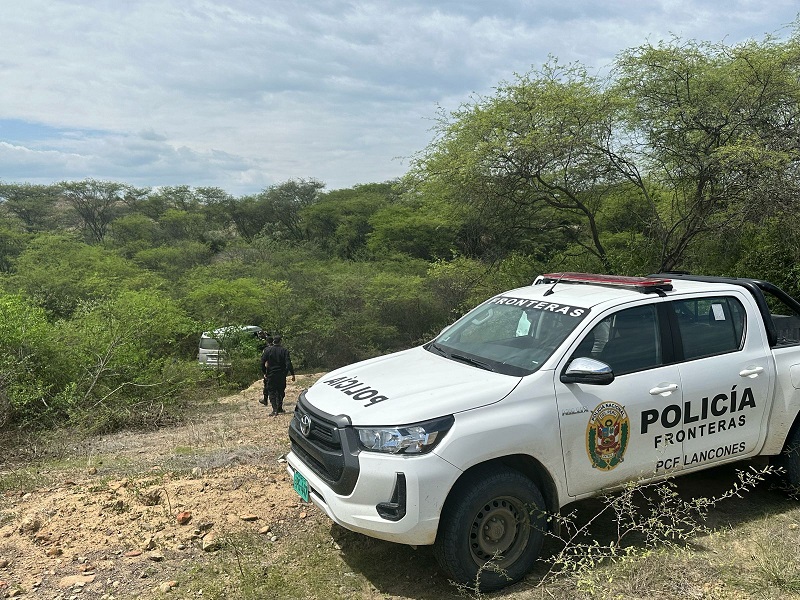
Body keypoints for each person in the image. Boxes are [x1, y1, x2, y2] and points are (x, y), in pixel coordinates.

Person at [260, 334, 295, 416]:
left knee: (271, 391)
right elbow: (288, 363)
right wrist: (292, 374)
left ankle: (274, 410)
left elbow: (262, 363)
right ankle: (279, 408)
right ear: (280, 341)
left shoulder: (267, 351)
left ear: (273, 341)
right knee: (280, 391)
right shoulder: (284, 351)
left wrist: (264, 373)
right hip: (281, 374)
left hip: (271, 374)